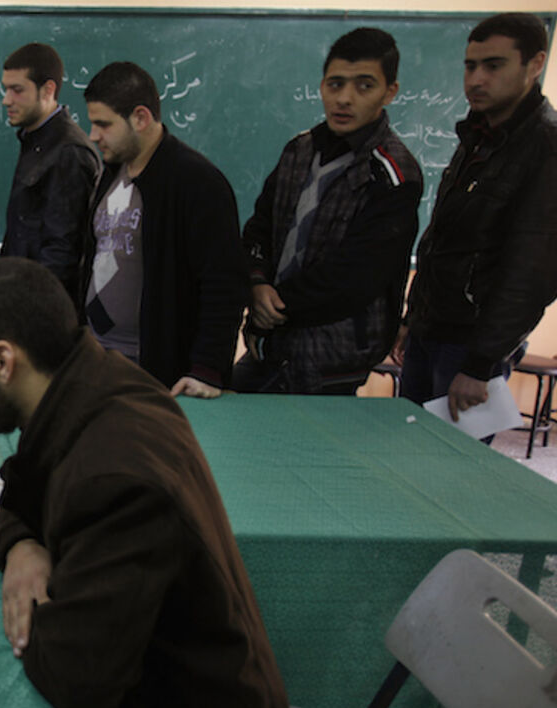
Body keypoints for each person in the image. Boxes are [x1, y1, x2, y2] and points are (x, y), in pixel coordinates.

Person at [0, 257, 289, 708]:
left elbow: (76, 679)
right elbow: (19, 487)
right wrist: (22, 544)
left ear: (4, 361)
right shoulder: (91, 384)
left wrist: (34, 608)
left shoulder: (113, 482)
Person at [233, 28, 422, 395]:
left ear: (390, 92)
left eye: (364, 86)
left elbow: (356, 276)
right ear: (321, 86)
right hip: (270, 341)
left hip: (332, 358)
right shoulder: (299, 150)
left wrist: (276, 304)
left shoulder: (394, 174)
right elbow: (259, 228)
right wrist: (256, 284)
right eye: (335, 84)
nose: (344, 98)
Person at [397, 12, 557, 420]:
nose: (476, 79)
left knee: (449, 457)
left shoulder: (545, 146)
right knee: (405, 446)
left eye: (493, 65)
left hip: (470, 349)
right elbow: (442, 241)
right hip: (431, 331)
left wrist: (481, 364)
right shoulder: (478, 135)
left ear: (535, 64)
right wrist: (413, 318)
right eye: (470, 66)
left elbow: (532, 272)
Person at [81, 61, 247, 398]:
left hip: (155, 373)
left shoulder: (197, 181)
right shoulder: (110, 174)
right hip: (97, 359)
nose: (93, 136)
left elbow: (224, 283)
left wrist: (207, 369)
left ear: (140, 118)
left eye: (103, 124)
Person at [0, 43, 101, 306]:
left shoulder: (68, 153)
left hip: (41, 308)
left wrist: (29, 308)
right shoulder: (34, 139)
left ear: (48, 90)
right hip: (19, 294)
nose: (6, 100)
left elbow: (62, 253)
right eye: (6, 89)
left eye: (17, 90)